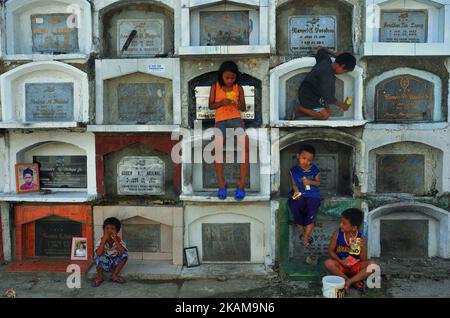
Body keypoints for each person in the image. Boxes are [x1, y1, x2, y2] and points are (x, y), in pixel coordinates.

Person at [208, 61, 249, 201]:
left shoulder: (239, 88)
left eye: (232, 78)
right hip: (220, 121)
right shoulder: (215, 87)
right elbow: (211, 105)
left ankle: (241, 184)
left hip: (236, 119)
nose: (230, 80)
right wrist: (222, 103)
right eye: (227, 78)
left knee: (245, 148)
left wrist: (237, 104)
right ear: (222, 76)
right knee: (217, 150)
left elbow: (244, 107)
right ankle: (221, 184)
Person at [292, 46, 356, 120]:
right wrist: (343, 106)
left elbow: (320, 49)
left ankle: (297, 114)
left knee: (327, 110)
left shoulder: (326, 60)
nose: (343, 73)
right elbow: (328, 97)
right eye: (345, 71)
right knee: (325, 116)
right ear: (342, 66)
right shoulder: (326, 75)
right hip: (308, 96)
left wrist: (334, 54)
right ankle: (298, 107)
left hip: (311, 93)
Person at [324, 208, 377, 293]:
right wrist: (342, 262)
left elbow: (364, 260)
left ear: (353, 227)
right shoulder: (337, 234)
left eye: (344, 223)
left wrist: (362, 247)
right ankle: (351, 280)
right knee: (328, 263)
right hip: (341, 265)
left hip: (355, 266)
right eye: (341, 222)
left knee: (373, 265)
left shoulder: (360, 238)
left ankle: (349, 282)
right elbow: (331, 251)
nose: (341, 225)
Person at [288, 144, 322, 247]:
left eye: (309, 160)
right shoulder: (293, 170)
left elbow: (318, 183)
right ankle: (304, 235)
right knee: (295, 205)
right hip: (300, 193)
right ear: (298, 156)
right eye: (303, 158)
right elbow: (294, 184)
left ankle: (306, 237)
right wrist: (296, 192)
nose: (306, 162)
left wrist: (310, 181)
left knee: (311, 210)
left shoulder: (315, 169)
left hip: (313, 195)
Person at [93, 217, 128, 287]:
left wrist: (115, 239)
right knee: (96, 257)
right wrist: (103, 241)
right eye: (107, 228)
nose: (109, 231)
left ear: (117, 232)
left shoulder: (119, 240)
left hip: (115, 263)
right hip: (104, 263)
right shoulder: (101, 241)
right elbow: (98, 253)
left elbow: (123, 252)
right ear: (103, 230)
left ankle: (114, 275)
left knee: (125, 256)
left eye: (112, 229)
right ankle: (100, 277)